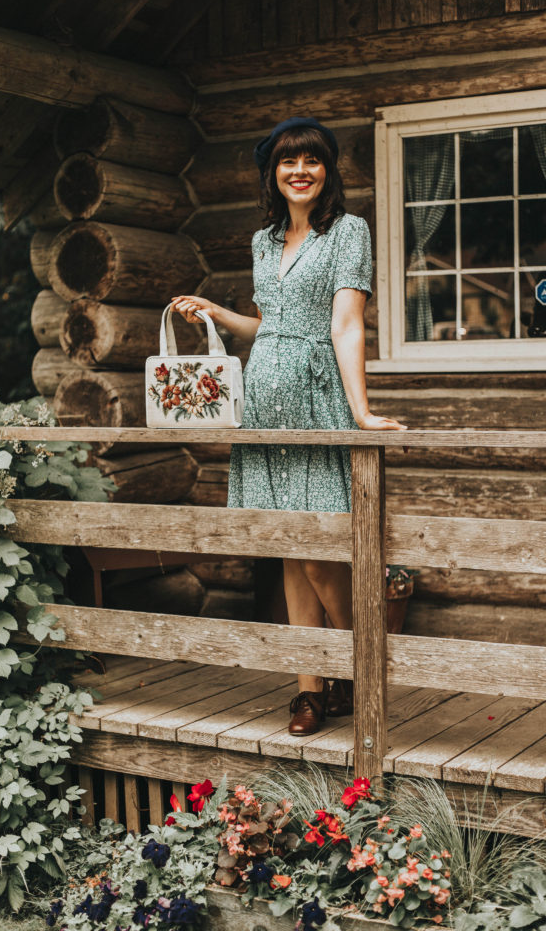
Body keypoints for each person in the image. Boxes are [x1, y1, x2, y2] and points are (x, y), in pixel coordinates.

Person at [171, 116, 406, 736]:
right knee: (288, 550)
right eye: (286, 161)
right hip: (263, 407)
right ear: (272, 174)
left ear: (327, 170)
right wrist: (218, 312)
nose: (299, 170)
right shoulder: (262, 239)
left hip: (316, 401)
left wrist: (360, 410)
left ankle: (358, 660)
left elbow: (345, 325)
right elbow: (266, 326)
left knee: (322, 554)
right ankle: (309, 690)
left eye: (311, 160)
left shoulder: (347, 232)